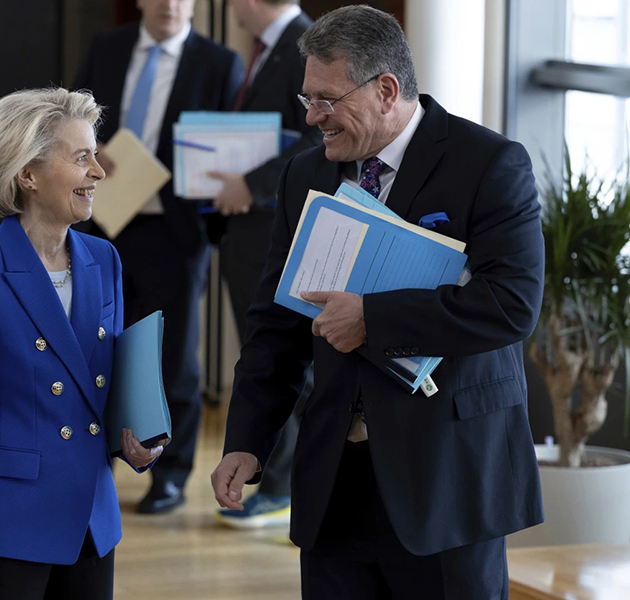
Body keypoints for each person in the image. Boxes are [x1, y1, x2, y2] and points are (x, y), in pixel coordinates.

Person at [211, 6, 545, 598]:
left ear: (386, 89)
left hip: (446, 484)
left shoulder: (489, 164)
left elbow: (511, 305)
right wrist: (247, 439)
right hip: (334, 486)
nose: (313, 117)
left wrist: (374, 318)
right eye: (307, 98)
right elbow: (276, 326)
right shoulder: (303, 175)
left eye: (327, 100)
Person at [0, 88, 160, 600]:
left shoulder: (104, 260)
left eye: (95, 155)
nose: (99, 171)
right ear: (28, 174)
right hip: (4, 528)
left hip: (91, 521)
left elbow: (99, 388)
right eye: (81, 158)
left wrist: (134, 442)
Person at [73, 0, 244, 514]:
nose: (170, 4)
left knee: (173, 358)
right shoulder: (108, 46)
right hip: (104, 222)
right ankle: (92, 457)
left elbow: (225, 147)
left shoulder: (218, 62)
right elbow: (74, 120)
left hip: (175, 231)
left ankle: (170, 472)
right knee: (93, 341)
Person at [209, 0, 321, 530]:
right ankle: (278, 481)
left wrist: (251, 186)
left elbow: (316, 137)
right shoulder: (264, 51)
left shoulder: (304, 46)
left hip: (275, 222)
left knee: (282, 356)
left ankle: (280, 487)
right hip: (247, 228)